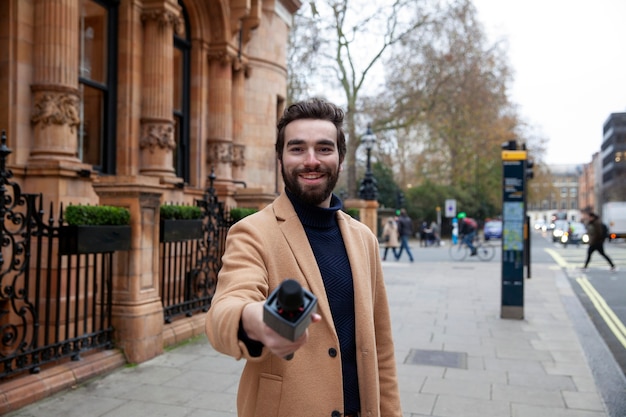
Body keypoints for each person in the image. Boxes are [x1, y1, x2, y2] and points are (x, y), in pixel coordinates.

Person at [205, 98, 402, 417]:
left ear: (340, 159)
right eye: (297, 149)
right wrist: (256, 321)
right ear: (280, 159)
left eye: (324, 149)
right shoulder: (253, 232)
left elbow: (381, 346)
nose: (311, 160)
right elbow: (225, 309)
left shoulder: (363, 238)